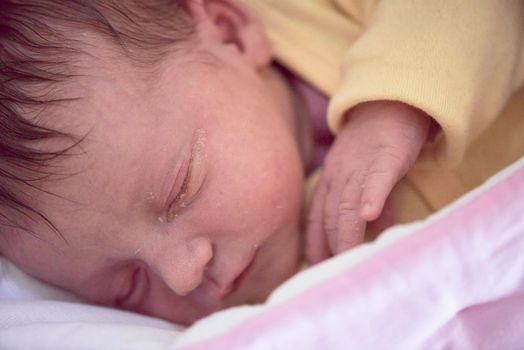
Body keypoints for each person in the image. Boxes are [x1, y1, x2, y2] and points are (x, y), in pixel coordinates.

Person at [0, 0, 522, 326]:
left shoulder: (311, 9)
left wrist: (393, 108)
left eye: (180, 189)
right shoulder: (281, 308)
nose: (184, 277)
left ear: (229, 32)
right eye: (127, 289)